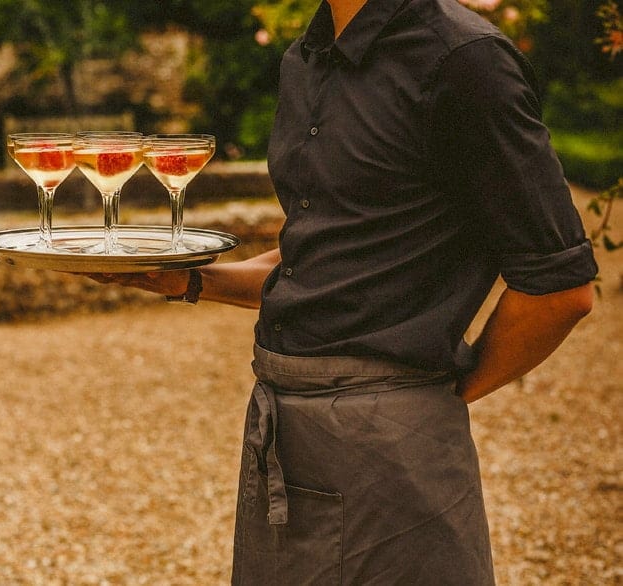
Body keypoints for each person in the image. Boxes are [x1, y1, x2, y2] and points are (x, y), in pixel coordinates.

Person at [87, 0, 598, 582]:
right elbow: (322, 255)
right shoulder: (304, 60)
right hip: (279, 427)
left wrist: (430, 405)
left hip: (395, 451)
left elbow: (561, 288)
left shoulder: (465, 61)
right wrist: (185, 279)